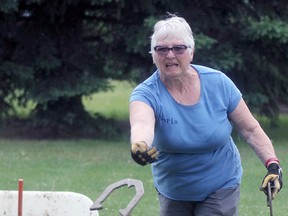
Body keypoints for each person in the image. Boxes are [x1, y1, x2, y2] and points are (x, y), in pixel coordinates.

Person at [129, 14, 283, 216]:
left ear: (191, 52)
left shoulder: (218, 83)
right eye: (162, 49)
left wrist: (273, 166)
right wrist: (139, 145)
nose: (170, 55)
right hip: (173, 188)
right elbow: (142, 123)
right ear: (153, 54)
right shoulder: (146, 93)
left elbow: (250, 129)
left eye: (178, 48)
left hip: (220, 183)